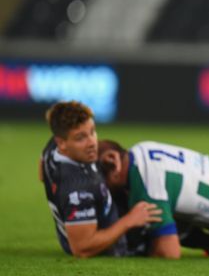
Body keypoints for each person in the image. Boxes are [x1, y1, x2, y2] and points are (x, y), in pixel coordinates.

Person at [39, 101, 161, 257]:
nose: (92, 143)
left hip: (99, 216)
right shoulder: (77, 189)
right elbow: (82, 248)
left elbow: (42, 170)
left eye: (92, 131)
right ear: (62, 143)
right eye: (80, 138)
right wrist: (129, 220)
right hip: (114, 246)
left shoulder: (52, 148)